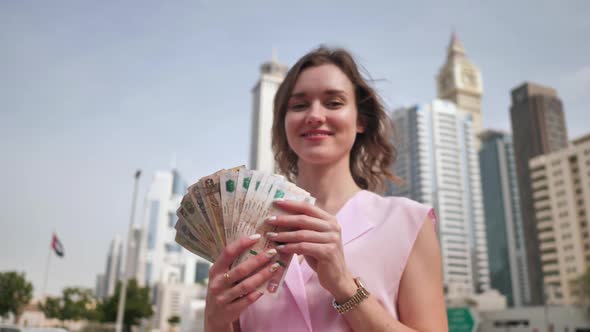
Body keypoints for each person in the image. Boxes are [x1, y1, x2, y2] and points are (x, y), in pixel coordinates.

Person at [204, 47, 448, 331]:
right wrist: (213, 320)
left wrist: (345, 286)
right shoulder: (243, 227)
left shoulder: (409, 222)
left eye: (333, 103)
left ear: (360, 120)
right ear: (283, 123)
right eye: (298, 106)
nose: (315, 115)